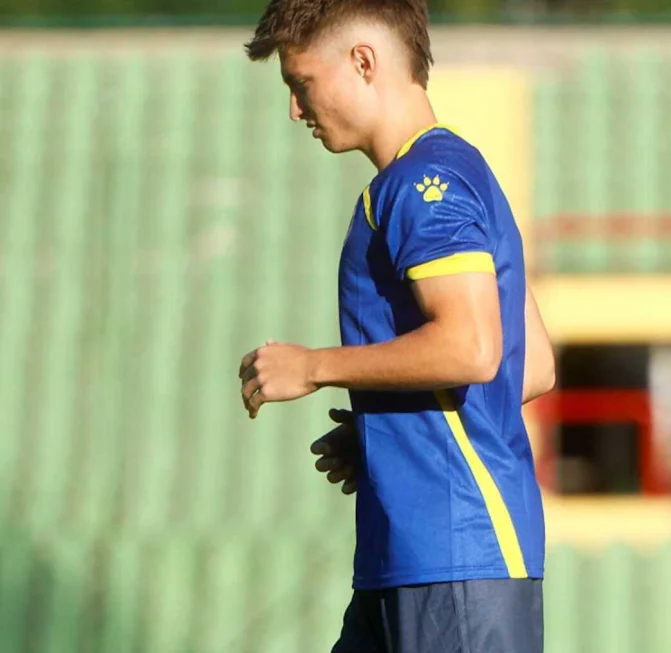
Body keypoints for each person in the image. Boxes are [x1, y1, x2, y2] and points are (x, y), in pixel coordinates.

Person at [236, 1, 557, 651]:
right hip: (420, 554)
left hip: (454, 553)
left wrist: (314, 366)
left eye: (301, 83)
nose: (296, 109)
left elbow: (473, 348)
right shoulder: (459, 170)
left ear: (363, 61)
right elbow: (531, 364)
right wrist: (392, 426)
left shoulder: (422, 184)